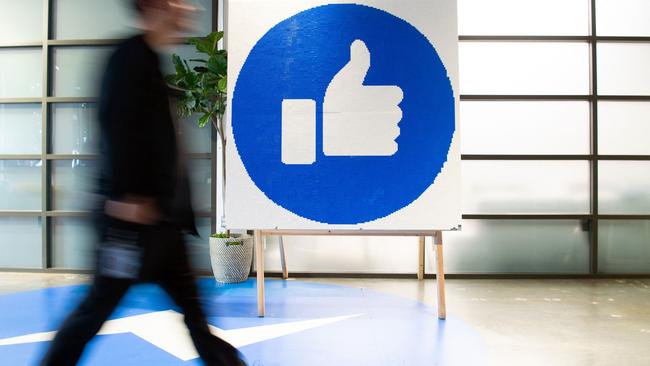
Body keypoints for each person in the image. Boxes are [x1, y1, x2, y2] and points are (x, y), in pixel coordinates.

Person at [40, 1, 246, 365]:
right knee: (95, 311)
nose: (185, 10)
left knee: (195, 315)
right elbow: (114, 127)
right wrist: (123, 197)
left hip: (162, 225)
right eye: (174, 4)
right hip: (129, 226)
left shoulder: (150, 60)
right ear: (153, 8)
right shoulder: (128, 58)